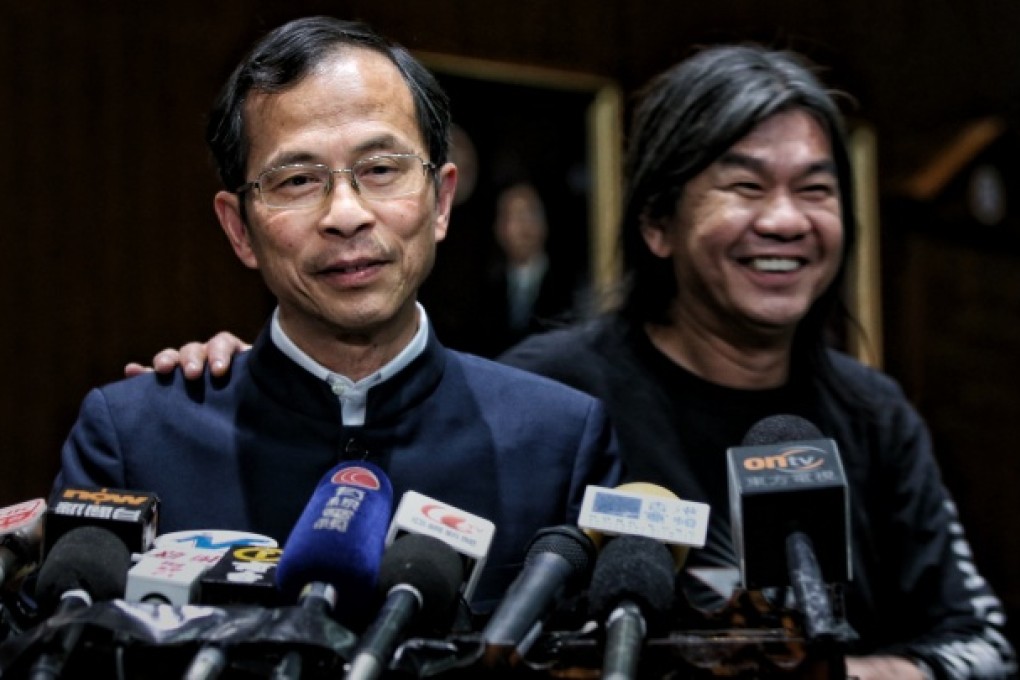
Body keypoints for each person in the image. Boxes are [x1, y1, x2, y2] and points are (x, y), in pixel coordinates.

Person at [130, 45, 1016, 678]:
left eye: (815, 189)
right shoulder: (556, 402)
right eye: (745, 186)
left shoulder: (874, 412)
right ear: (657, 224)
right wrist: (255, 383)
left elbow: (982, 643)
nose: (785, 220)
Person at [57, 15, 620, 614]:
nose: (346, 214)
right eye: (298, 180)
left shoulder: (557, 441)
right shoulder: (136, 439)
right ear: (238, 229)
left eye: (381, 170)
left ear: (441, 202)